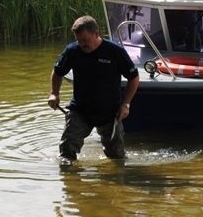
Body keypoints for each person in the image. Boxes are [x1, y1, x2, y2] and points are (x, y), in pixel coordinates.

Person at [48, 15, 139, 165]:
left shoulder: (114, 52)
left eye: (85, 40)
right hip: (80, 109)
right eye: (79, 40)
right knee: (66, 152)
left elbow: (134, 78)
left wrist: (126, 104)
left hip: (110, 112)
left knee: (116, 158)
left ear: (97, 34)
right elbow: (58, 72)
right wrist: (54, 93)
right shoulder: (72, 51)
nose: (82, 44)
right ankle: (71, 184)